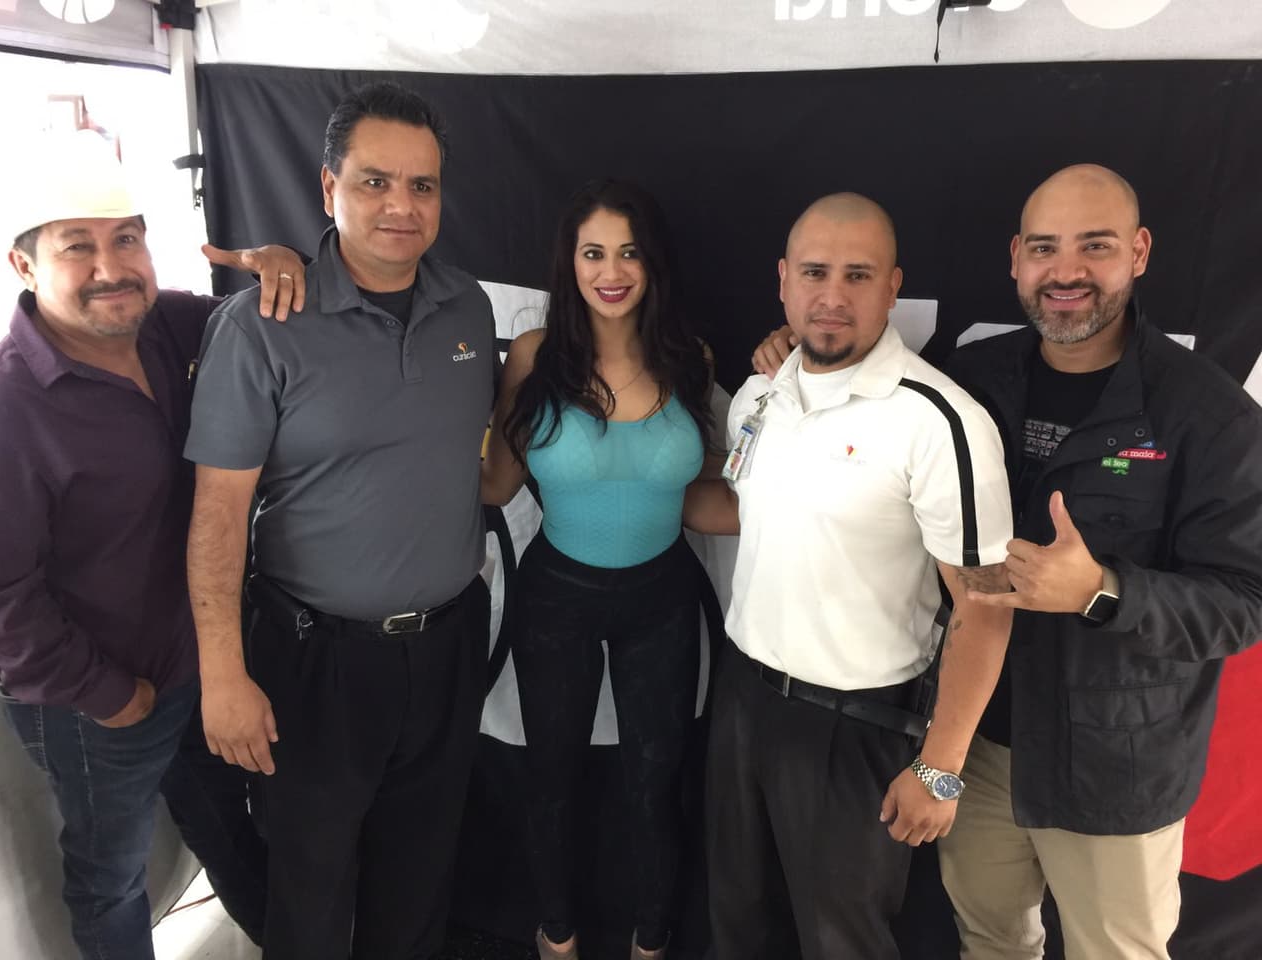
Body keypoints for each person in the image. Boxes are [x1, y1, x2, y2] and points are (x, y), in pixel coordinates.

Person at [184, 82, 495, 960]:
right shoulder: (261, 325)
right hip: (313, 663)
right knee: (312, 896)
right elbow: (217, 516)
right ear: (329, 190)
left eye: (423, 186)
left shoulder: (467, 308)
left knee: (419, 881)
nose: (402, 206)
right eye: (374, 182)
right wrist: (223, 676)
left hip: (445, 646)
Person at [0, 130, 301, 959]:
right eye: (77, 247)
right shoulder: (5, 410)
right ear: (24, 267)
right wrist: (107, 692)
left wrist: (285, 263)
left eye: (126, 238)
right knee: (111, 875)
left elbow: (259, 319)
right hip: (97, 702)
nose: (110, 267)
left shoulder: (168, 328)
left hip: (201, 665)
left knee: (226, 827)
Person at [936, 165, 1262, 959]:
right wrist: (790, 354)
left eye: (1096, 246)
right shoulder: (970, 384)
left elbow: (1245, 604)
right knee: (989, 941)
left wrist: (1103, 592)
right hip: (979, 756)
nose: (1066, 272)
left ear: (1140, 252)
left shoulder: (1207, 413)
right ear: (1016, 258)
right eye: (1045, 248)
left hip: (1118, 772)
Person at [683, 193, 1015, 960]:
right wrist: (614, 494)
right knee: (737, 921)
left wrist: (942, 768)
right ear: (783, 281)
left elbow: (986, 605)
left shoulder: (940, 420)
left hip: (856, 725)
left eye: (857, 275)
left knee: (844, 942)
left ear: (892, 287)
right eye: (815, 272)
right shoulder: (761, 395)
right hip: (742, 698)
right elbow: (748, 508)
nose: (832, 295)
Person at [481, 179, 715, 960]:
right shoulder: (534, 356)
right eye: (593, 252)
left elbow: (705, 491)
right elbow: (496, 485)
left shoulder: (690, 356)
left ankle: (652, 942)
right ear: (569, 263)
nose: (611, 270)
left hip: (663, 599)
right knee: (550, 779)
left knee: (658, 783)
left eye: (628, 251)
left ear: (651, 263)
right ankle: (557, 938)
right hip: (558, 599)